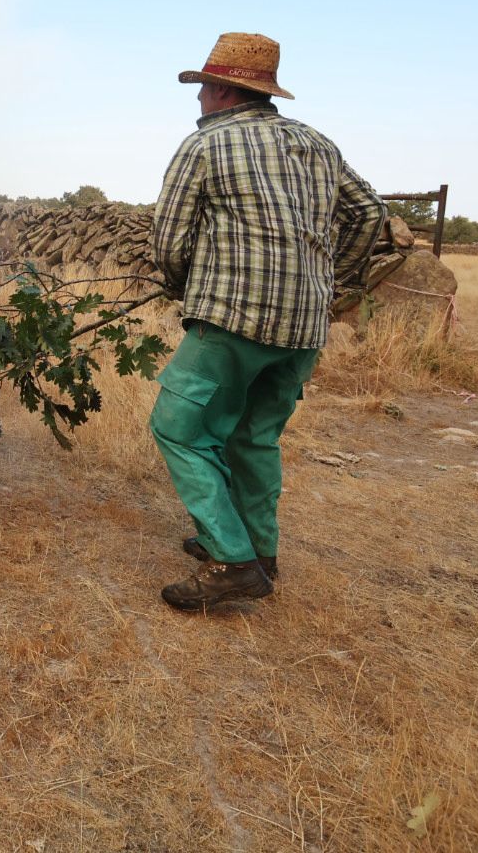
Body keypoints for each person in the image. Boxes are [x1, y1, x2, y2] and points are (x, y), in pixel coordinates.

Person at [149, 32, 386, 611]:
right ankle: (260, 551)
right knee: (254, 437)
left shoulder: (204, 146)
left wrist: (188, 291)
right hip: (304, 328)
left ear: (226, 91)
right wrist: (331, 284)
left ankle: (232, 560)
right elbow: (371, 214)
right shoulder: (317, 145)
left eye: (204, 87)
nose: (198, 98)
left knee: (177, 427)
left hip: (232, 320)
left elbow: (169, 242)